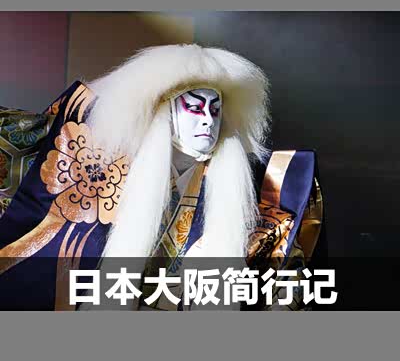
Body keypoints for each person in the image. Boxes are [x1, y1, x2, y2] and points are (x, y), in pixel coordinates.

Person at [0, 44, 323, 310]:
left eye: (214, 110)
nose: (207, 121)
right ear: (162, 112)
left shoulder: (251, 188)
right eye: (194, 108)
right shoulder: (92, 164)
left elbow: (285, 278)